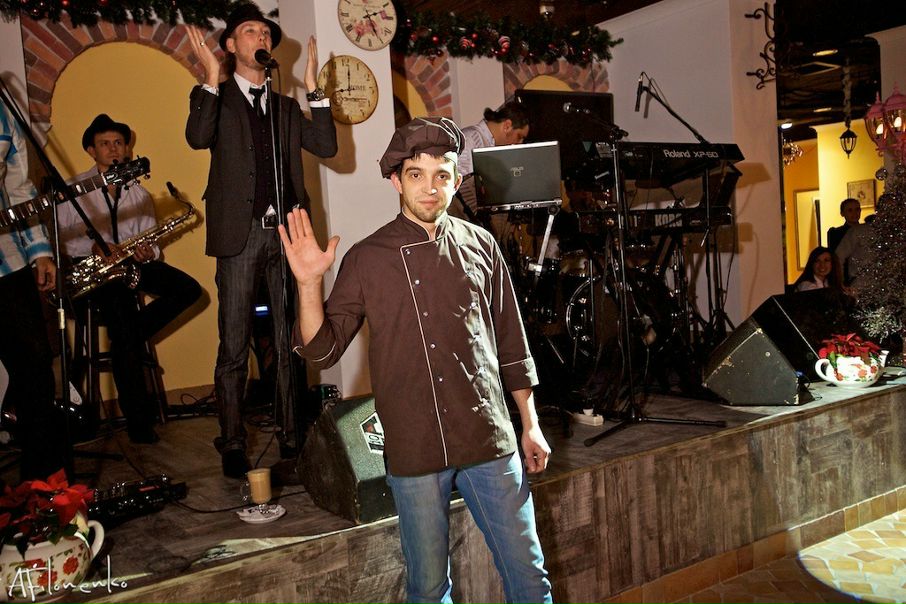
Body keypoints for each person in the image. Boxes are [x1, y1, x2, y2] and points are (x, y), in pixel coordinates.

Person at [281, 117, 552, 604]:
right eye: (416, 175)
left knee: (530, 577)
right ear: (396, 181)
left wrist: (529, 424)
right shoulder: (366, 258)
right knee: (428, 589)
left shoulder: (482, 245)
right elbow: (322, 350)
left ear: (456, 179)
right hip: (414, 446)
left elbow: (512, 344)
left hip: (488, 437)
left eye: (442, 175)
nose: (430, 188)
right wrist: (307, 285)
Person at [184, 3, 338, 478]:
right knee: (234, 345)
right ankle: (232, 441)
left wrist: (315, 91)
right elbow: (197, 137)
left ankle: (292, 435)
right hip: (240, 235)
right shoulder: (216, 97)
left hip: (288, 235)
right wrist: (210, 78)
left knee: (291, 340)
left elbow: (327, 146)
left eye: (266, 32)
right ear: (232, 45)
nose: (262, 38)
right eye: (250, 31)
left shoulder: (287, 107)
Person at [57, 113, 203, 445]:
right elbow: (61, 241)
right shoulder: (74, 190)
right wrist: (94, 246)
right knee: (123, 319)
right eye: (105, 144)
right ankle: (138, 420)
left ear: (126, 149)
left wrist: (147, 253)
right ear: (91, 150)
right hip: (93, 272)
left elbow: (153, 245)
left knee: (189, 289)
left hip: (129, 264)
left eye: (118, 143)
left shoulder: (139, 194)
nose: (113, 149)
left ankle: (129, 335)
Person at [0, 102, 70, 480]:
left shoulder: (2, 108)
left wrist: (40, 250)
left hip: (7, 260)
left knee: (35, 364)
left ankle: (40, 485)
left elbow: (18, 187)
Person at [454, 101, 531, 218]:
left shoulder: (487, 143)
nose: (520, 143)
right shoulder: (470, 139)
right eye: (519, 136)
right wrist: (482, 221)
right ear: (507, 126)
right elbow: (462, 188)